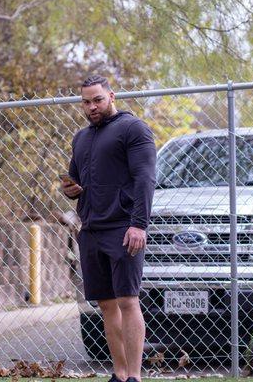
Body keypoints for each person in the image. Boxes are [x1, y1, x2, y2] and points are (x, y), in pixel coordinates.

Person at [61, 76, 156, 382]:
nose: (92, 107)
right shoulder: (82, 138)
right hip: (90, 230)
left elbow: (145, 179)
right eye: (86, 102)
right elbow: (75, 183)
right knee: (106, 304)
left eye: (98, 100)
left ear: (112, 96)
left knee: (128, 299)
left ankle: (135, 377)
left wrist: (139, 225)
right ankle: (119, 373)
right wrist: (71, 190)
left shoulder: (133, 129)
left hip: (123, 229)